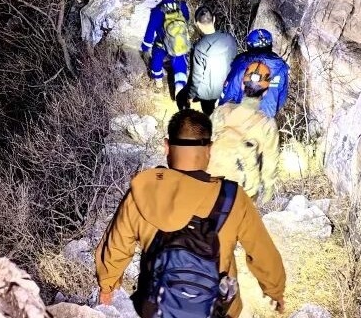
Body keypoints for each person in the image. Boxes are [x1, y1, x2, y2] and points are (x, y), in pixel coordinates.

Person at [94, 109, 286, 318]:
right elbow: (261, 249)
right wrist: (275, 290)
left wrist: (107, 285)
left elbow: (116, 245)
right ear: (209, 149)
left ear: (167, 146)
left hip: (158, 308)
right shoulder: (233, 197)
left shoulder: (143, 191)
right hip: (218, 310)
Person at [207, 66, 282, 201]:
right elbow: (270, 162)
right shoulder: (267, 125)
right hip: (242, 191)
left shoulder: (221, 111)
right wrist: (268, 189)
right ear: (265, 92)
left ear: (242, 85)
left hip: (210, 181)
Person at [177, 7, 237, 115]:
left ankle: (194, 117)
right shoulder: (229, 38)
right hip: (227, 87)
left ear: (197, 24)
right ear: (214, 19)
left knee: (182, 98)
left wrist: (190, 96)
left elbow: (196, 77)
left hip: (208, 94)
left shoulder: (199, 48)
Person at [220, 29, 289, 118]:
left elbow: (230, 92)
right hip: (265, 119)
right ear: (270, 45)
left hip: (240, 116)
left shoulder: (241, 64)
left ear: (249, 45)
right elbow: (282, 97)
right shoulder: (281, 67)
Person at [142, 0, 191, 97]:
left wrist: (145, 46)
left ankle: (158, 83)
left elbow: (150, 30)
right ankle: (180, 86)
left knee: (156, 58)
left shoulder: (157, 11)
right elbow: (187, 19)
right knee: (180, 61)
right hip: (178, 41)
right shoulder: (182, 5)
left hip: (162, 43)